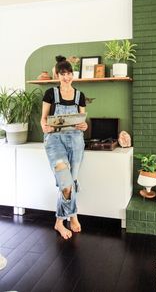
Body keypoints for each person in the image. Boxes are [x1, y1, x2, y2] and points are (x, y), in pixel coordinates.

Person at [41, 55, 88, 239]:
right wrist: (45, 126)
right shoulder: (50, 93)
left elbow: (82, 122)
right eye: (63, 74)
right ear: (57, 75)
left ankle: (62, 221)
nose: (66, 77)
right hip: (54, 140)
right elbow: (43, 119)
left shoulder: (80, 96)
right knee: (66, 183)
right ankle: (67, 218)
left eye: (69, 73)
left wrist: (85, 126)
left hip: (76, 140)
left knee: (71, 182)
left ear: (73, 75)